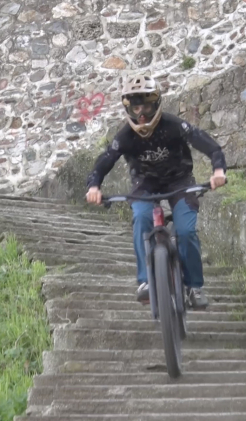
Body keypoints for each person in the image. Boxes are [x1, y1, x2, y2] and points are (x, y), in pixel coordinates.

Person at [85, 74, 227, 309]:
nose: (141, 114)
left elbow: (207, 144)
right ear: (128, 110)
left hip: (180, 182)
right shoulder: (125, 136)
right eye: (136, 108)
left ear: (156, 105)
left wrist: (218, 170)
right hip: (144, 185)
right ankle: (145, 281)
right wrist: (93, 186)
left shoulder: (173, 125)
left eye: (146, 107)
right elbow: (106, 159)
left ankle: (194, 286)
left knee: (186, 231)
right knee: (141, 218)